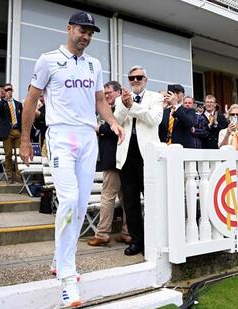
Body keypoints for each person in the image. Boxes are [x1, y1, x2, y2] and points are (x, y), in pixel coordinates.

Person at [19, 11, 124, 307]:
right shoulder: (48, 59)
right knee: (67, 201)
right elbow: (30, 100)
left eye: (90, 33)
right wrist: (26, 139)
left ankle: (59, 257)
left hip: (88, 137)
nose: (86, 36)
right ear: (69, 29)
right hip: (61, 136)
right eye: (82, 30)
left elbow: (100, 101)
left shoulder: (94, 64)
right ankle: (67, 274)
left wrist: (113, 122)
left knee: (79, 205)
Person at [114, 65, 163, 257]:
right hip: (126, 155)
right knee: (130, 201)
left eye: (139, 77)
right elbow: (116, 120)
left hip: (147, 156)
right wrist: (125, 106)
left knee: (151, 200)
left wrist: (132, 107)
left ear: (145, 79)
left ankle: (154, 240)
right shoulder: (121, 99)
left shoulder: (155, 98)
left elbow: (154, 120)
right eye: (131, 78)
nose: (135, 81)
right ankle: (137, 241)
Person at [88, 81, 131, 247]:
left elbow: (110, 129)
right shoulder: (117, 106)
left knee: (107, 197)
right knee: (125, 197)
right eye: (104, 93)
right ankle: (127, 233)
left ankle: (102, 234)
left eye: (109, 93)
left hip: (114, 159)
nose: (106, 96)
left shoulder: (120, 107)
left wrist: (99, 128)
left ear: (119, 92)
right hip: (118, 159)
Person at [0, 83, 23, 183]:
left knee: (19, 154)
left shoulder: (18, 104)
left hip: (17, 131)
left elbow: (21, 118)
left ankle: (18, 175)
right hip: (7, 132)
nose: (8, 91)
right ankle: (9, 175)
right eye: (6, 90)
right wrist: (4, 100)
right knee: (8, 154)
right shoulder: (1, 103)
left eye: (9, 89)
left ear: (12, 90)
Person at [158, 84, 197, 148]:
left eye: (178, 93)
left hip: (182, 148)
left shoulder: (189, 111)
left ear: (183, 95)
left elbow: (190, 123)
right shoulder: (164, 111)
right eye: (173, 93)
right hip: (165, 147)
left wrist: (175, 105)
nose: (175, 95)